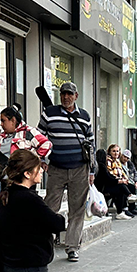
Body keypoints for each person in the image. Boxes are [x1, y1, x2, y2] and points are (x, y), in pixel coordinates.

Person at [39, 82, 94, 262]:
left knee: (76, 210)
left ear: (76, 96)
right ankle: (45, 243)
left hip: (80, 169)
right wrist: (41, 160)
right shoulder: (49, 113)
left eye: (69, 94)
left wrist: (91, 171)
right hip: (56, 168)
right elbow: (39, 138)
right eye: (63, 94)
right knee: (50, 208)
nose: (66, 97)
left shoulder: (85, 116)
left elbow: (91, 145)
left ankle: (72, 247)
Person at [94, 144, 135, 220]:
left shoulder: (105, 164)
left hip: (107, 185)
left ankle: (127, 207)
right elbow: (108, 178)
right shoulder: (102, 166)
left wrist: (122, 180)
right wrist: (119, 181)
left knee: (126, 186)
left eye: (117, 151)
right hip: (102, 188)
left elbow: (113, 175)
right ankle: (128, 200)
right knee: (121, 188)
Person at [120, 149, 137, 216]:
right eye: (124, 157)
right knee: (131, 187)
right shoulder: (118, 163)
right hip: (124, 181)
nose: (125, 159)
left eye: (127, 158)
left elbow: (135, 173)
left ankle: (135, 206)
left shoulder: (130, 164)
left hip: (131, 180)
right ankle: (131, 207)